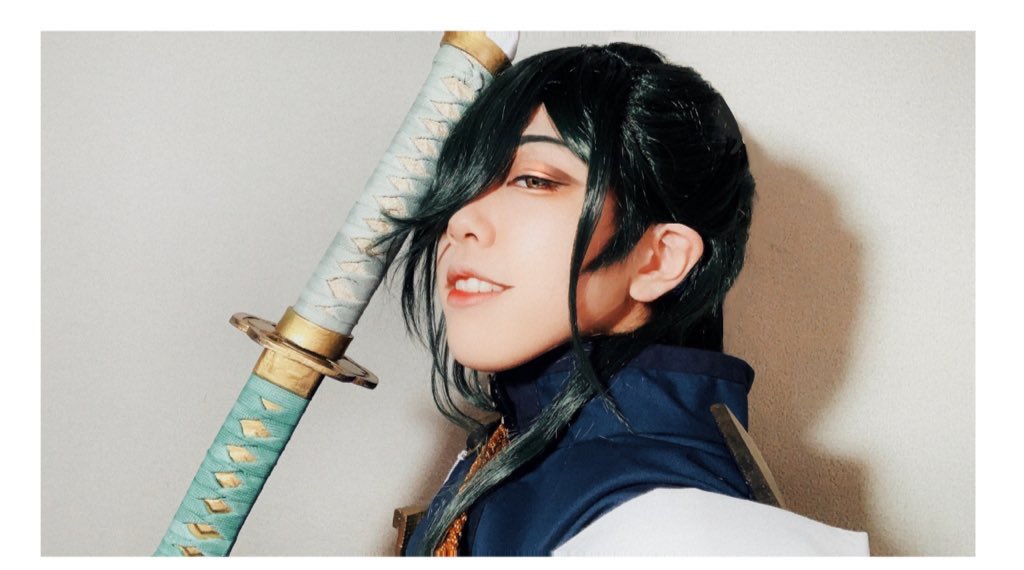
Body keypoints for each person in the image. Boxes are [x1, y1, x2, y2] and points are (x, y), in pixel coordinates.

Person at [376, 37, 868, 556]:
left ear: (658, 259)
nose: (459, 220)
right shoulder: (513, 443)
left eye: (533, 180)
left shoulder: (671, 536)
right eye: (466, 182)